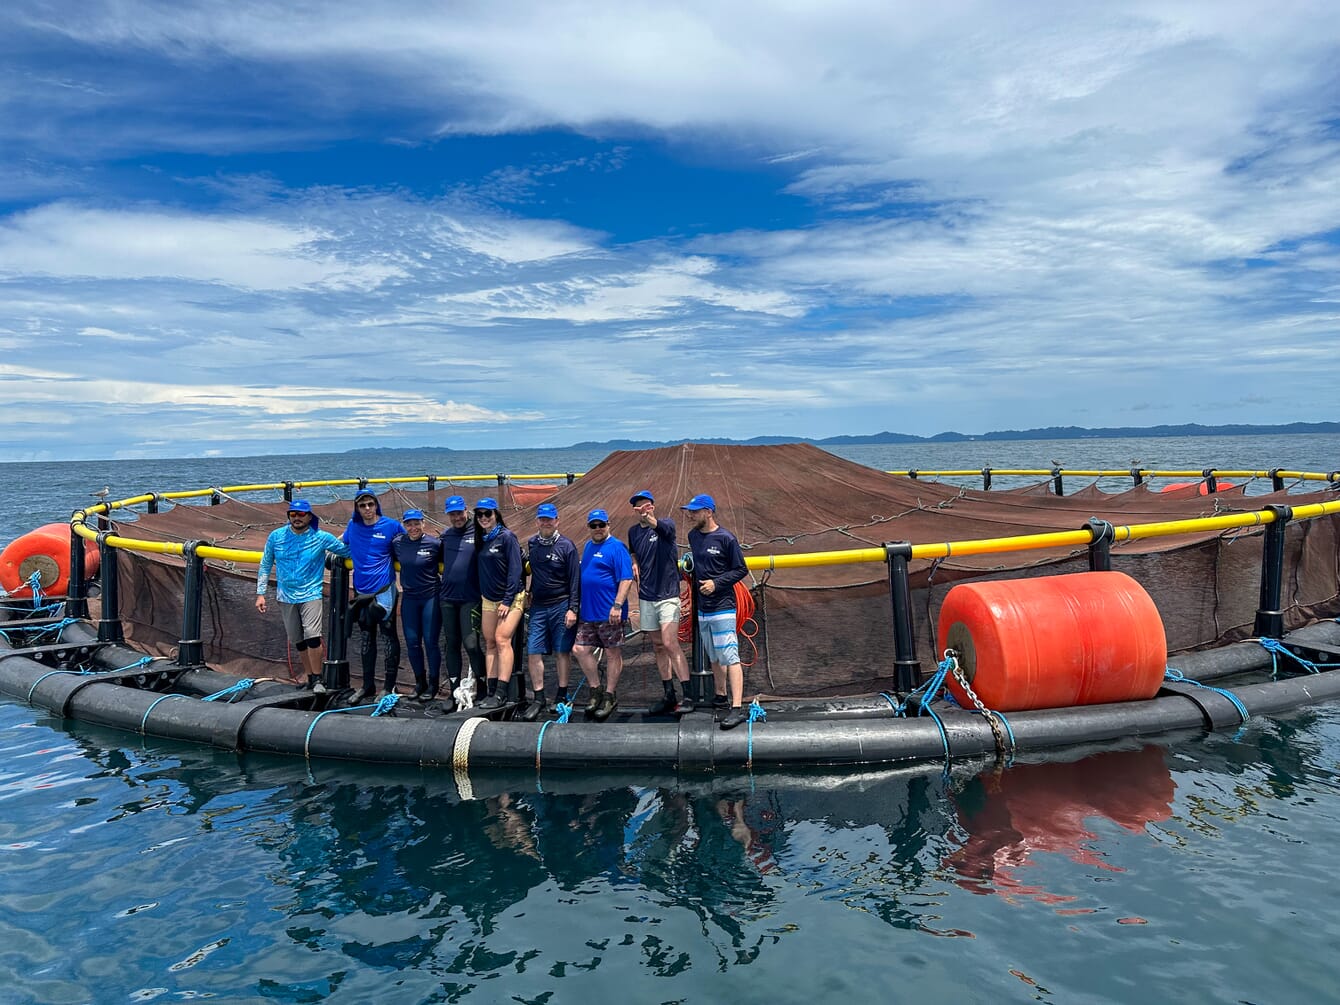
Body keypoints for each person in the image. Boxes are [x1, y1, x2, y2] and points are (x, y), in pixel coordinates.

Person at [255, 500, 350, 685]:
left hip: (311, 594)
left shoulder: (322, 537)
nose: (297, 518)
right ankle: (309, 677)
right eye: (293, 514)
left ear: (310, 516)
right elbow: (265, 564)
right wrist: (260, 594)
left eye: (301, 514)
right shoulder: (276, 536)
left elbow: (347, 552)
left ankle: (318, 679)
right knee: (297, 640)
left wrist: (361, 538)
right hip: (285, 596)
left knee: (313, 636)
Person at [682, 493, 750, 730]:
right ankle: (720, 696)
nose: (690, 515)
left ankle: (737, 707)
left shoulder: (726, 538)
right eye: (689, 511)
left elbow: (741, 569)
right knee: (714, 656)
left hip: (722, 607)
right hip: (703, 609)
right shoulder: (693, 536)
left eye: (695, 511)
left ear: (708, 512)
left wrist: (716, 583)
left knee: (730, 656)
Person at [627, 490, 693, 715]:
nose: (642, 509)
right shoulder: (633, 531)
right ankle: (669, 694)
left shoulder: (666, 525)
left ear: (653, 507)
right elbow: (633, 551)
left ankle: (688, 693)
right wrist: (634, 562)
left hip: (667, 595)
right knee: (657, 645)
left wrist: (651, 520)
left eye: (646, 505)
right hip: (647, 595)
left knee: (669, 642)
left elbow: (663, 530)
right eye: (638, 506)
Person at [343, 490, 405, 701]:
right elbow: (342, 544)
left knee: (388, 635)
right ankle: (367, 685)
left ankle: (389, 686)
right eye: (363, 505)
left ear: (376, 505)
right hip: (361, 591)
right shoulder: (353, 526)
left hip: (383, 591)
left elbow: (407, 545)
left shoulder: (391, 526)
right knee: (366, 638)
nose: (367, 509)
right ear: (357, 508)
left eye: (370, 504)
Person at [573, 508, 634, 722]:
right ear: (589, 527)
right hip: (589, 612)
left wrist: (617, 605)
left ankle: (609, 695)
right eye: (593, 526)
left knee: (611, 654)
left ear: (608, 525)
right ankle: (595, 690)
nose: (598, 529)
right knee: (580, 649)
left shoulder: (617, 547)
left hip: (610, 613)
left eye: (601, 525)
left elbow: (626, 578)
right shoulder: (589, 546)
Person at [521, 502, 580, 721]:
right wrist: (528, 592)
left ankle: (561, 695)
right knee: (533, 651)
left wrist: (573, 608)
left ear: (557, 521)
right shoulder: (533, 543)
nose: (546, 523)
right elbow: (533, 571)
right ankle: (539, 698)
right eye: (542, 519)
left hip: (561, 604)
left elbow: (575, 580)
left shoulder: (567, 546)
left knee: (561, 652)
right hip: (538, 607)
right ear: (537, 521)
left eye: (550, 519)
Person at [474, 497, 526, 710]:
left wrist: (507, 600)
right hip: (488, 598)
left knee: (502, 639)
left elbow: (516, 570)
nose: (484, 518)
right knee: (490, 642)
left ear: (496, 515)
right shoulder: (481, 538)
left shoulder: (507, 537)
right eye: (480, 515)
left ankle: (502, 692)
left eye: (488, 514)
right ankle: (491, 689)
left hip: (511, 598)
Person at [392, 509, 443, 702]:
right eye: (409, 524)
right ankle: (419, 682)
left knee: (430, 642)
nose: (413, 528)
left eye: (416, 524)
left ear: (423, 523)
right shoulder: (398, 543)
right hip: (410, 598)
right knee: (412, 642)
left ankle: (433, 684)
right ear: (404, 526)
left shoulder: (435, 544)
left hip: (430, 596)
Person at [439, 495, 484, 704]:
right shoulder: (446, 536)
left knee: (472, 644)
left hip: (470, 599)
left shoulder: (478, 533)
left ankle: (482, 685)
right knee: (451, 644)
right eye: (452, 514)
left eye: (459, 512)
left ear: (466, 510)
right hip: (447, 598)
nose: (456, 517)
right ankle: (454, 689)